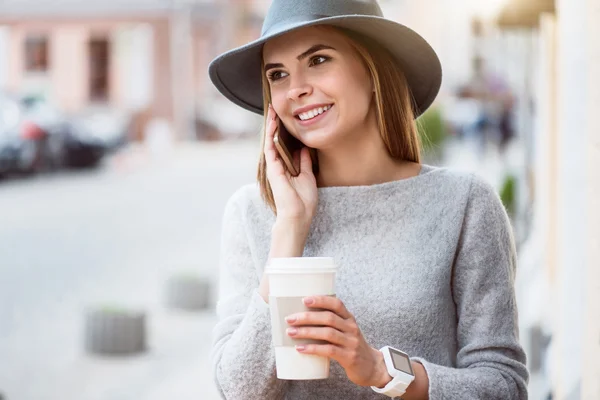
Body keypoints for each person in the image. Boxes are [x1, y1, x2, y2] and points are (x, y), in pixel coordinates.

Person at [208, 1, 529, 399]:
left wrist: (382, 370)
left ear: (374, 70)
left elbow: (503, 386)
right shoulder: (251, 213)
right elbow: (237, 390)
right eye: (278, 74)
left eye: (319, 59)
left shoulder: (463, 204)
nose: (296, 88)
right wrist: (290, 232)